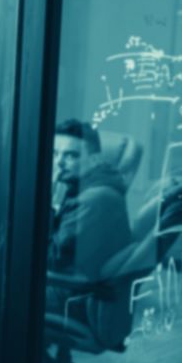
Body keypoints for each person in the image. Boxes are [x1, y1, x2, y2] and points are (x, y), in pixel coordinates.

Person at [45, 119, 132, 315]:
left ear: (94, 160)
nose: (58, 162)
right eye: (54, 153)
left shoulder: (94, 199)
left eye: (71, 155)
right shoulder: (87, 183)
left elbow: (53, 258)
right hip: (76, 281)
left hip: (76, 295)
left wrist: (49, 201)